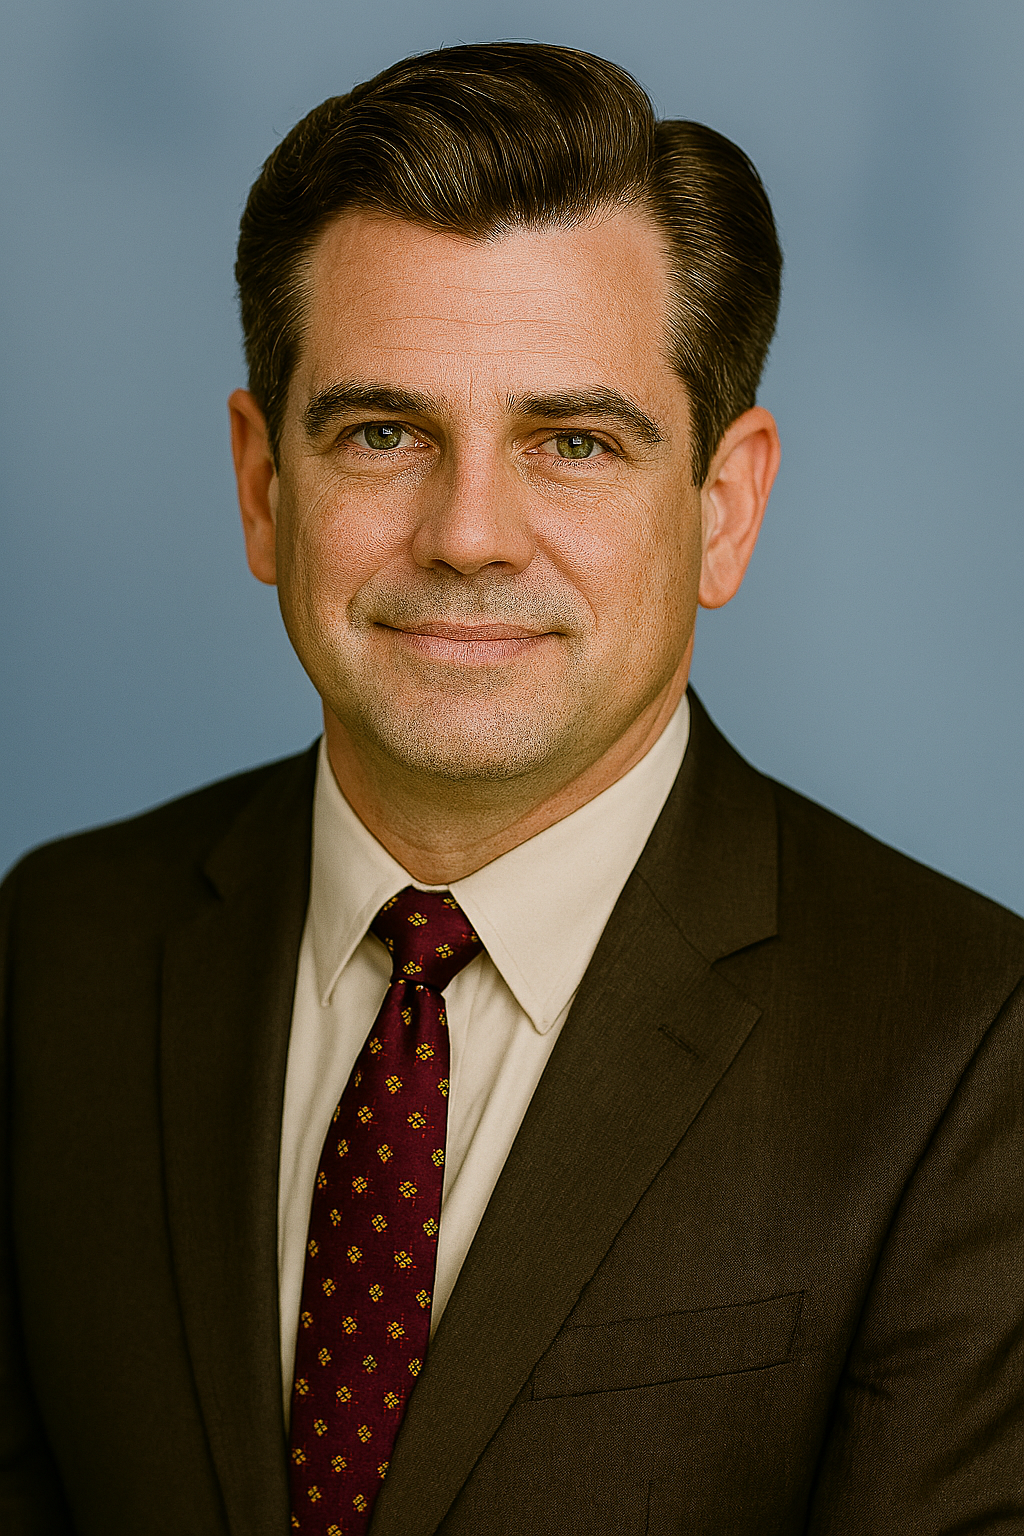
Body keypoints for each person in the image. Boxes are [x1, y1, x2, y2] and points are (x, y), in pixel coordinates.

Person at [1, 41, 1021, 1536]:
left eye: (574, 442)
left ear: (723, 509)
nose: (470, 534)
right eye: (383, 433)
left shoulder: (969, 1050)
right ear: (262, 487)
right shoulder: (57, 948)